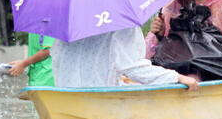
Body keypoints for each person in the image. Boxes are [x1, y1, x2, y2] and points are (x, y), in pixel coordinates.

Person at [50, 27, 199, 90]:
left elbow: (55, 59)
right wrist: (177, 77)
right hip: (99, 98)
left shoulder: (67, 21)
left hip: (65, 93)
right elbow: (133, 68)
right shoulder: (123, 22)